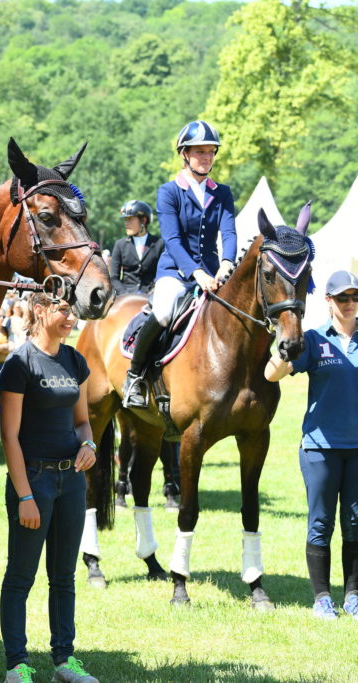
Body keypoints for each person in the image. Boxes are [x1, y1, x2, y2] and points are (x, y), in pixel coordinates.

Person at [0, 292, 98, 683]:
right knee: (21, 576)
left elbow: (82, 422)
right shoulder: (20, 363)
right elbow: (9, 436)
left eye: (72, 310)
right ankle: (17, 665)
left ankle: (63, 662)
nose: (70, 316)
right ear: (39, 310)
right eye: (63, 309)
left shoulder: (75, 360)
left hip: (71, 480)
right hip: (34, 479)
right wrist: (25, 495)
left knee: (64, 575)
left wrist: (88, 444)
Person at [122, 120, 237, 408]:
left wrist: (226, 263)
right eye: (200, 152)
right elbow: (172, 240)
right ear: (185, 154)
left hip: (213, 272)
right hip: (176, 271)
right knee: (162, 312)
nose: (207, 158)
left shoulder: (222, 193)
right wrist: (196, 273)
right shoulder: (169, 192)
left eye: (211, 152)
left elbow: (230, 233)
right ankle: (135, 376)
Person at [265, 270, 358, 620]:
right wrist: (284, 351)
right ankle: (322, 598)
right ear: (329, 301)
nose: (350, 304)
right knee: (321, 523)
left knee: (355, 522)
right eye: (343, 298)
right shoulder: (315, 340)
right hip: (320, 448)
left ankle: (352, 596)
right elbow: (270, 375)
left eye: (355, 297)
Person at [109, 200, 164, 296]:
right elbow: (114, 277)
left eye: (130, 219)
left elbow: (162, 274)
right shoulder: (120, 245)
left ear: (143, 220)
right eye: (125, 220)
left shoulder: (159, 244)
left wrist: (153, 292)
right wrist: (125, 295)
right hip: (125, 295)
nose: (126, 223)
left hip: (152, 294)